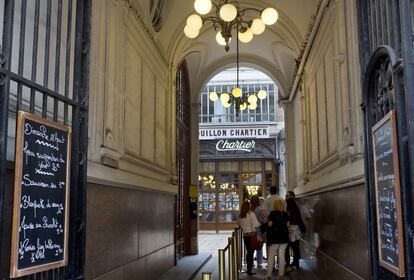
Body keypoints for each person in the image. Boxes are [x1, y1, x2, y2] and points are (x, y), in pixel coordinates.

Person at [261, 199, 289, 279]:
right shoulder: (285, 214)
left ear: (275, 205)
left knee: (271, 256)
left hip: (275, 238)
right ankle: (281, 275)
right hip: (284, 239)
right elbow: (287, 225)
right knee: (281, 255)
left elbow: (269, 224)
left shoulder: (272, 213)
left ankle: (268, 275)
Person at [285, 191, 306, 272]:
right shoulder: (296, 204)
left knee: (287, 248)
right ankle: (295, 264)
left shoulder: (288, 204)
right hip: (296, 229)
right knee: (295, 248)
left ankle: (288, 264)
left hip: (290, 229)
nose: (286, 197)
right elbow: (299, 217)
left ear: (292, 196)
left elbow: (289, 217)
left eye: (287, 195)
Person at [239, 200, 261, 275]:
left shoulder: (240, 215)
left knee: (249, 252)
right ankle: (249, 269)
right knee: (251, 253)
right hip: (252, 236)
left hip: (245, 236)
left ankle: (249, 268)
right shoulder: (251, 214)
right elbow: (256, 225)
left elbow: (239, 224)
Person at [250, 195, 267, 268]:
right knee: (259, 246)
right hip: (259, 230)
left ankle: (251, 263)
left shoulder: (249, 210)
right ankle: (259, 263)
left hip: (251, 230)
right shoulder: (260, 209)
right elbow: (264, 220)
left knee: (251, 247)